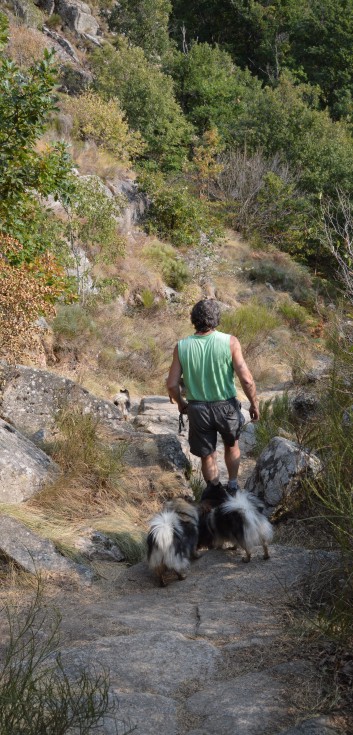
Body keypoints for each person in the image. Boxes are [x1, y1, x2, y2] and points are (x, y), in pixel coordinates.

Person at [166, 299, 259, 498]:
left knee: (207, 454)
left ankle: (214, 492)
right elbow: (247, 380)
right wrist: (254, 403)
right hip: (226, 406)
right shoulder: (230, 342)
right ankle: (233, 487)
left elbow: (172, 385)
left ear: (194, 319)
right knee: (231, 445)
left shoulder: (181, 346)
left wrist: (182, 404)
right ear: (216, 318)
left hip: (198, 409)